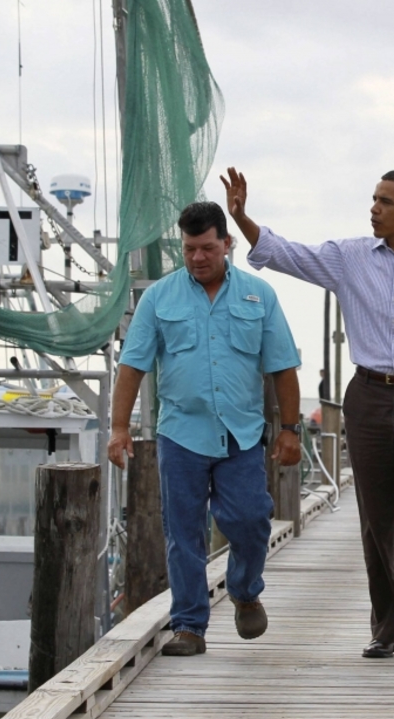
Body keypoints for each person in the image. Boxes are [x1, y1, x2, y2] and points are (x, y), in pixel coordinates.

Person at [222, 166, 394, 667]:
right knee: (375, 521)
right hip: (366, 397)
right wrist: (243, 218)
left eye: (385, 201)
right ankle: (386, 627)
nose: (374, 208)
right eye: (373, 199)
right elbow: (285, 253)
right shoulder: (349, 258)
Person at [108, 201, 302, 657]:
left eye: (208, 248)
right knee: (183, 532)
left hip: (241, 433)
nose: (198, 257)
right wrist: (119, 427)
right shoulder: (159, 297)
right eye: (190, 248)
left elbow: (284, 368)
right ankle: (189, 626)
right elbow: (132, 365)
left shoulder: (259, 295)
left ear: (227, 244)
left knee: (252, 519)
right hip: (181, 434)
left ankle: (244, 588)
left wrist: (290, 429)